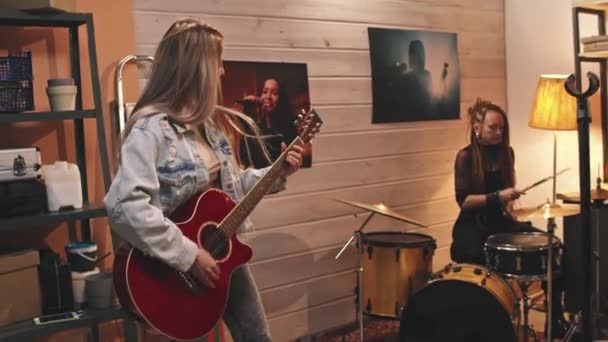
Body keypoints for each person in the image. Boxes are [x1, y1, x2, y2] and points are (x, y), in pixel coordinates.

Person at [103, 18, 304, 342]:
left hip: (224, 255)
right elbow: (124, 207)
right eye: (218, 63)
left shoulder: (208, 128)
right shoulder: (150, 130)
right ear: (195, 68)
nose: (222, 71)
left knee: (258, 337)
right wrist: (188, 255)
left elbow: (232, 190)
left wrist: (277, 172)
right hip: (170, 274)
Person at [450, 98, 569, 337]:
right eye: (493, 127)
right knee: (475, 256)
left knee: (554, 249)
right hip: (473, 225)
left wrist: (509, 202)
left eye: (502, 128)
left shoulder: (507, 153)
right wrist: (498, 196)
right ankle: (486, 325)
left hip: (500, 222)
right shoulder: (465, 157)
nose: (498, 132)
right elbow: (464, 201)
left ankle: (554, 319)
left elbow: (507, 193)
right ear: (477, 127)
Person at [238, 77, 298, 168]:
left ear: (282, 98)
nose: (268, 97)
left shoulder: (289, 128)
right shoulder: (254, 126)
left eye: (275, 93)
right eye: (265, 92)